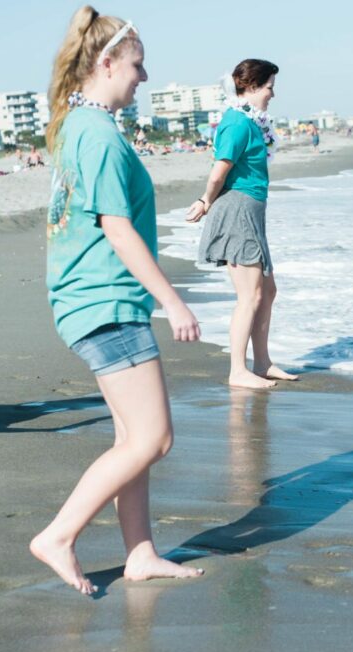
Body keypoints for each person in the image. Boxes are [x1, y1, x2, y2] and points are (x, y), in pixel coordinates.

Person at [31, 5, 205, 595]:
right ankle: (58, 535)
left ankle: (141, 553)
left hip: (90, 300)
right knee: (154, 439)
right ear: (106, 62)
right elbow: (116, 225)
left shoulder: (76, 125)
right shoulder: (97, 133)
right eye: (138, 65)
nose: (144, 77)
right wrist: (173, 302)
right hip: (106, 302)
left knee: (133, 440)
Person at [185, 58, 295, 389]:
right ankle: (237, 370)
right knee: (249, 295)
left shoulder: (250, 122)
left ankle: (262, 363)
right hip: (237, 211)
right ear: (250, 87)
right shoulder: (236, 122)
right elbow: (220, 169)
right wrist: (205, 201)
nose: (273, 94)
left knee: (268, 290)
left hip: (252, 212)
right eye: (269, 87)